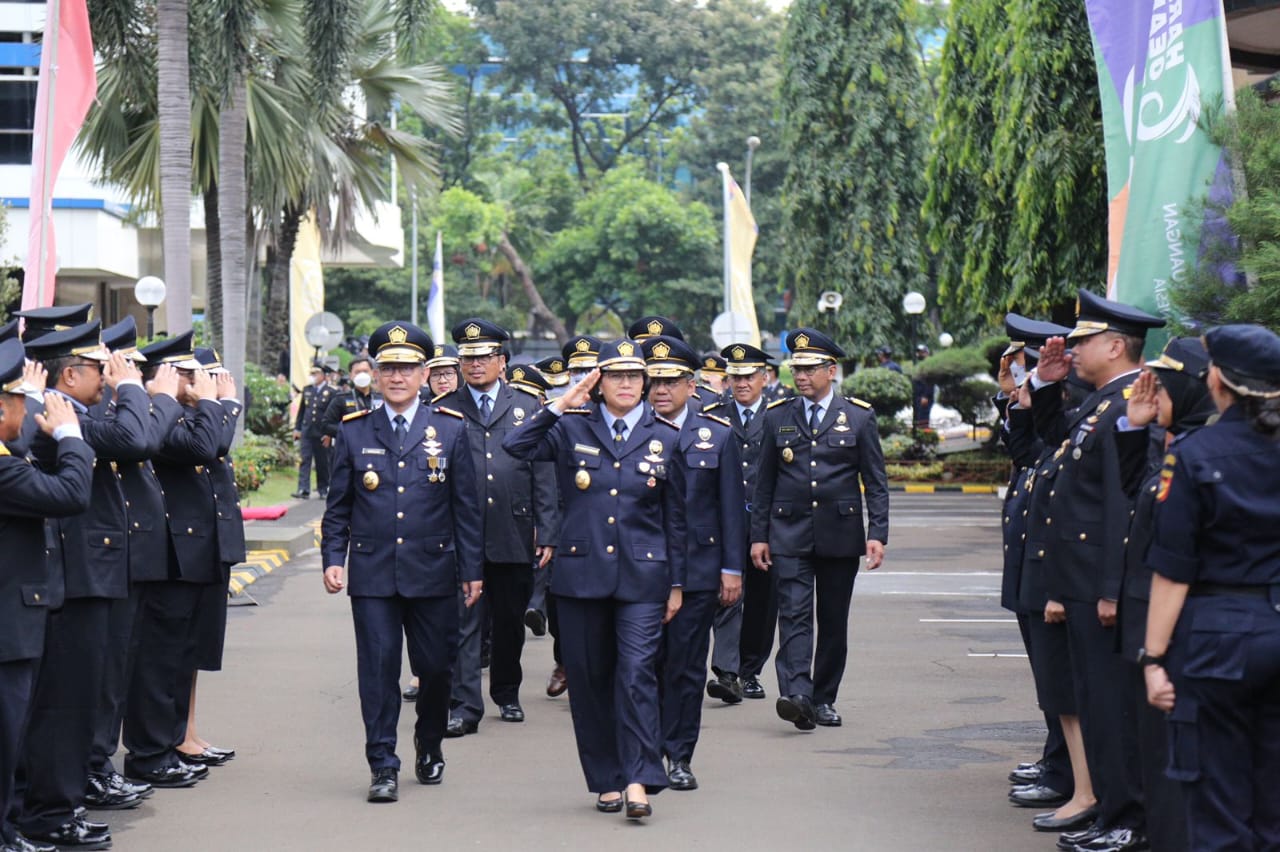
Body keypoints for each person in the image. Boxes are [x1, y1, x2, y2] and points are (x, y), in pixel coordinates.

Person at [503, 339, 687, 819]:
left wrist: (677, 583)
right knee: (589, 679)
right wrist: (562, 402)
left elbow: (676, 519)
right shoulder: (571, 428)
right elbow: (515, 445)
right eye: (615, 376)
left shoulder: (665, 435)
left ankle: (639, 779)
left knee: (636, 676)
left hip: (644, 579)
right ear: (599, 382)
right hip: (581, 575)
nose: (626, 384)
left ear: (644, 382)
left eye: (634, 376)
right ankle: (605, 779)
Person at [321, 321, 483, 804]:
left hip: (434, 571)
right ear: (374, 373)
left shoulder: (450, 431)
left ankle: (428, 742)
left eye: (407, 368)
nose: (397, 377)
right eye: (388, 368)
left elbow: (466, 508)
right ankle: (382, 764)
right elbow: (338, 506)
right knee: (377, 671)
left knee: (436, 670)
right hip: (372, 574)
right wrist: (334, 557)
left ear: (423, 373)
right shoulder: (354, 432)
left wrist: (472, 570)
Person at [1031, 289, 1165, 852]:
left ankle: (1127, 818)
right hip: (1081, 580)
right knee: (1094, 702)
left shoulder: (1127, 406)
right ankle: (1110, 810)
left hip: (1099, 584)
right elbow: (1054, 442)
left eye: (1084, 342)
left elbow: (1123, 506)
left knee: (1112, 709)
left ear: (1116, 346)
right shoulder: (1101, 402)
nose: (1075, 350)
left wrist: (1110, 587)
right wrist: (1045, 386)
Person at [1143, 324, 1280, 852]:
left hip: (1219, 642)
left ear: (1218, 379)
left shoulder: (1197, 454)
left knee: (1218, 806)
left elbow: (1174, 569)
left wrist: (1153, 658)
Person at [17, 321, 149, 851]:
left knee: (78, 698)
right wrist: (135, 389)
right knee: (66, 704)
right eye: (100, 368)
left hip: (84, 573)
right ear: (68, 374)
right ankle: (51, 809)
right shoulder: (52, 411)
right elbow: (135, 438)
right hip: (72, 578)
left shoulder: (60, 408)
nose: (109, 375)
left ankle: (58, 802)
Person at [750, 328, 889, 731]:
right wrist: (759, 535)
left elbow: (875, 482)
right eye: (797, 368)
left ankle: (824, 698)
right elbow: (764, 484)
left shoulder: (859, 417)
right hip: (788, 532)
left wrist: (877, 532)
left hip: (840, 535)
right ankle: (797, 694)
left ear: (832, 370)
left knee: (832, 620)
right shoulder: (777, 416)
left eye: (810, 368)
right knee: (793, 615)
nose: (802, 375)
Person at [1116, 337, 1215, 852]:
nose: (1153, 394)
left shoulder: (1201, 453)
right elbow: (1139, 495)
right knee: (1152, 751)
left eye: (1165, 387)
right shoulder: (1177, 441)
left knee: (1175, 760)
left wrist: (1156, 653)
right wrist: (1137, 427)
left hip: (1181, 629)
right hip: (1149, 615)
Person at [442, 319, 559, 738]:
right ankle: (464, 703)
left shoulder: (528, 407)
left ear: (502, 362)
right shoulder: (445, 408)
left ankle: (506, 692)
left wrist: (546, 528)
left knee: (510, 620)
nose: (475, 365)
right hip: (461, 531)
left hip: (515, 527)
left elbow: (543, 471)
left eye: (484, 357)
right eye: (468, 358)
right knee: (464, 619)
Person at [0, 339, 95, 852]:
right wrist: (70, 434)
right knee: (6, 736)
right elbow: (70, 494)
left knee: (12, 736)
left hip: (15, 621)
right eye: (22, 401)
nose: (29, 412)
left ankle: (9, 829)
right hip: (7, 628)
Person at [123, 332, 226, 791]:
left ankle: (165, 747)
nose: (196, 381)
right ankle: (150, 753)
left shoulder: (172, 412)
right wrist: (217, 404)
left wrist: (211, 405)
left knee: (175, 656)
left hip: (181, 551)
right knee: (156, 661)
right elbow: (206, 447)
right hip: (162, 553)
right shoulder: (156, 414)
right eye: (184, 373)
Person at [641, 335, 744, 791]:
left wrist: (732, 569)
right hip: (643, 570)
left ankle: (679, 754)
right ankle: (644, 754)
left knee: (684, 666)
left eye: (671, 381)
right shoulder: (634, 433)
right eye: (654, 381)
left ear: (692, 384)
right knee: (642, 666)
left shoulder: (716, 435)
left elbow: (730, 508)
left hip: (701, 570)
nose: (661, 390)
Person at [86, 317, 180, 806]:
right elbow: (142, 440)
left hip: (127, 549)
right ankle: (94, 765)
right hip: (102, 554)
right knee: (103, 674)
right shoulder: (100, 403)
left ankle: (99, 763)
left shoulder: (118, 399)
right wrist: (157, 397)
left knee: (117, 669)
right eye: (123, 364)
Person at [993, 314, 1077, 819]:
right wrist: (1017, 399)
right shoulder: (1046, 414)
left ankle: (1065, 771)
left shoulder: (1072, 417)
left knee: (1061, 679)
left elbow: (1043, 453)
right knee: (1050, 678)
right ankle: (1055, 761)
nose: (1025, 375)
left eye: (1031, 365)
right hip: (1032, 561)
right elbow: (1024, 456)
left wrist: (1034, 398)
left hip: (1053, 565)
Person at [175, 348, 245, 767]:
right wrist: (225, 405)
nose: (214, 385)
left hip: (210, 547)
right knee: (179, 653)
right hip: (188, 549)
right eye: (205, 376)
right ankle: (177, 735)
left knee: (197, 651)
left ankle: (189, 731)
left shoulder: (200, 416)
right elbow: (212, 446)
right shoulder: (178, 418)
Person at [702, 343, 775, 702]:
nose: (742, 383)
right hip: (723, 521)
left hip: (769, 524)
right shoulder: (712, 415)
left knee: (763, 602)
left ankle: (750, 671)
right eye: (736, 377)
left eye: (749, 377)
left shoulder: (780, 416)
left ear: (765, 378)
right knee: (728, 596)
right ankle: (727, 672)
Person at [293, 364, 333, 498]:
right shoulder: (307, 390)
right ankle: (303, 489)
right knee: (305, 459)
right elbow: (302, 411)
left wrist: (329, 433)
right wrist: (297, 428)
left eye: (316, 374)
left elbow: (332, 414)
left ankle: (323, 489)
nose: (314, 377)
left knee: (322, 462)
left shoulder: (331, 392)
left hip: (322, 432)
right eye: (312, 374)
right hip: (307, 430)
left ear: (323, 376)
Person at [321, 356, 381, 445]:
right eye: (357, 372)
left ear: (373, 373)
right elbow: (326, 425)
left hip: (377, 449)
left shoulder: (382, 399)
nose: (362, 375)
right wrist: (348, 431)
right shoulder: (341, 399)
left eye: (365, 371)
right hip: (349, 449)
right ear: (351, 376)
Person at [911, 344, 934, 429]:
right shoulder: (918, 365)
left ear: (927, 353)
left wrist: (925, 396)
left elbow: (930, 382)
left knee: (923, 419)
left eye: (922, 352)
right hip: (917, 396)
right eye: (919, 352)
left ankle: (924, 435)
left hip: (924, 397)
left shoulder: (929, 365)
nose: (920, 354)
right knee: (917, 418)